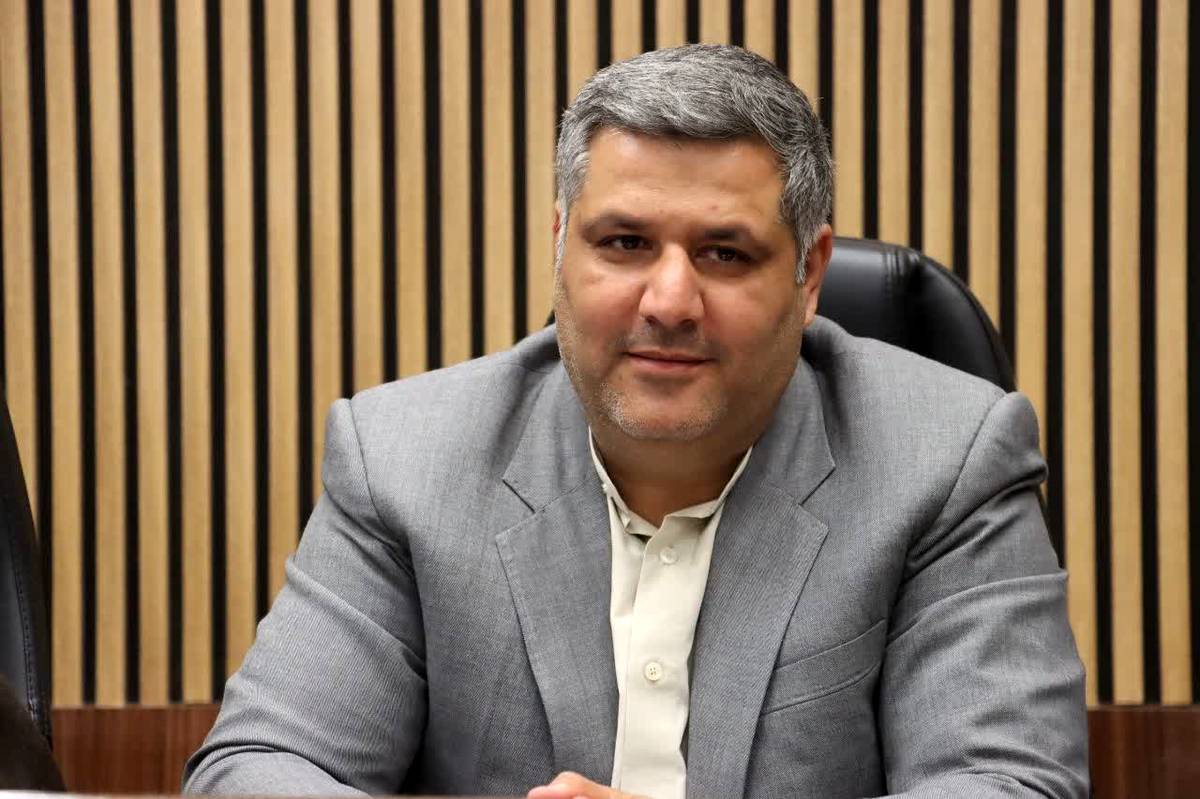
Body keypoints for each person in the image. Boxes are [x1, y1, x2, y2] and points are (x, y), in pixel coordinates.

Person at [184, 44, 1088, 798]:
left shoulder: (947, 460)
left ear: (809, 274)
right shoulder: (403, 459)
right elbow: (258, 766)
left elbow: (1008, 782)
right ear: (561, 247)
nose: (669, 300)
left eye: (724, 252)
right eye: (625, 243)